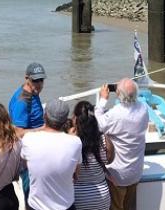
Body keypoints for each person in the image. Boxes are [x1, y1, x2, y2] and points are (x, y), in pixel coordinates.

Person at [95, 78, 149, 210]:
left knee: (116, 207)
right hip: (135, 172)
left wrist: (102, 100)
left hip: (117, 175)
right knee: (129, 206)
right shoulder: (143, 109)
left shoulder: (115, 114)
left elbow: (97, 126)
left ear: (118, 94)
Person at [20, 98, 82, 210]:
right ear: (65, 121)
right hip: (65, 206)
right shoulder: (75, 142)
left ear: (44, 116)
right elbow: (76, 174)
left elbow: (25, 164)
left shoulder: (29, 139)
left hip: (36, 206)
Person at [71, 100, 114, 210]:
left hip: (78, 196)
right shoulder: (104, 140)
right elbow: (110, 160)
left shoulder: (72, 142)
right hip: (101, 196)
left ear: (76, 119)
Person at [9, 62, 47, 136]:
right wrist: (43, 129)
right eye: (35, 80)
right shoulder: (22, 102)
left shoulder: (34, 92)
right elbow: (18, 133)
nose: (39, 84)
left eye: (41, 80)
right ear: (27, 78)